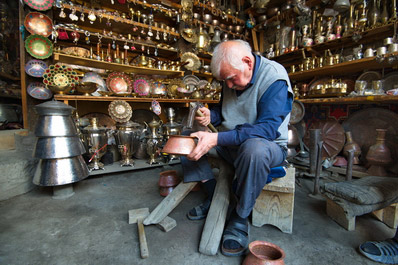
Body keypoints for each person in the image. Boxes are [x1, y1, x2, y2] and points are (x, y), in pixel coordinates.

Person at [180, 39, 293, 256]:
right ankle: (215, 195)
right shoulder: (232, 76)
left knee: (254, 149)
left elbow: (267, 130)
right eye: (225, 81)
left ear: (247, 62)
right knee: (186, 137)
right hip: (231, 142)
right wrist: (210, 116)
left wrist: (216, 139)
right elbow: (225, 111)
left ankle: (240, 216)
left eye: (231, 79)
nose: (229, 86)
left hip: (267, 147)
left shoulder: (274, 78)